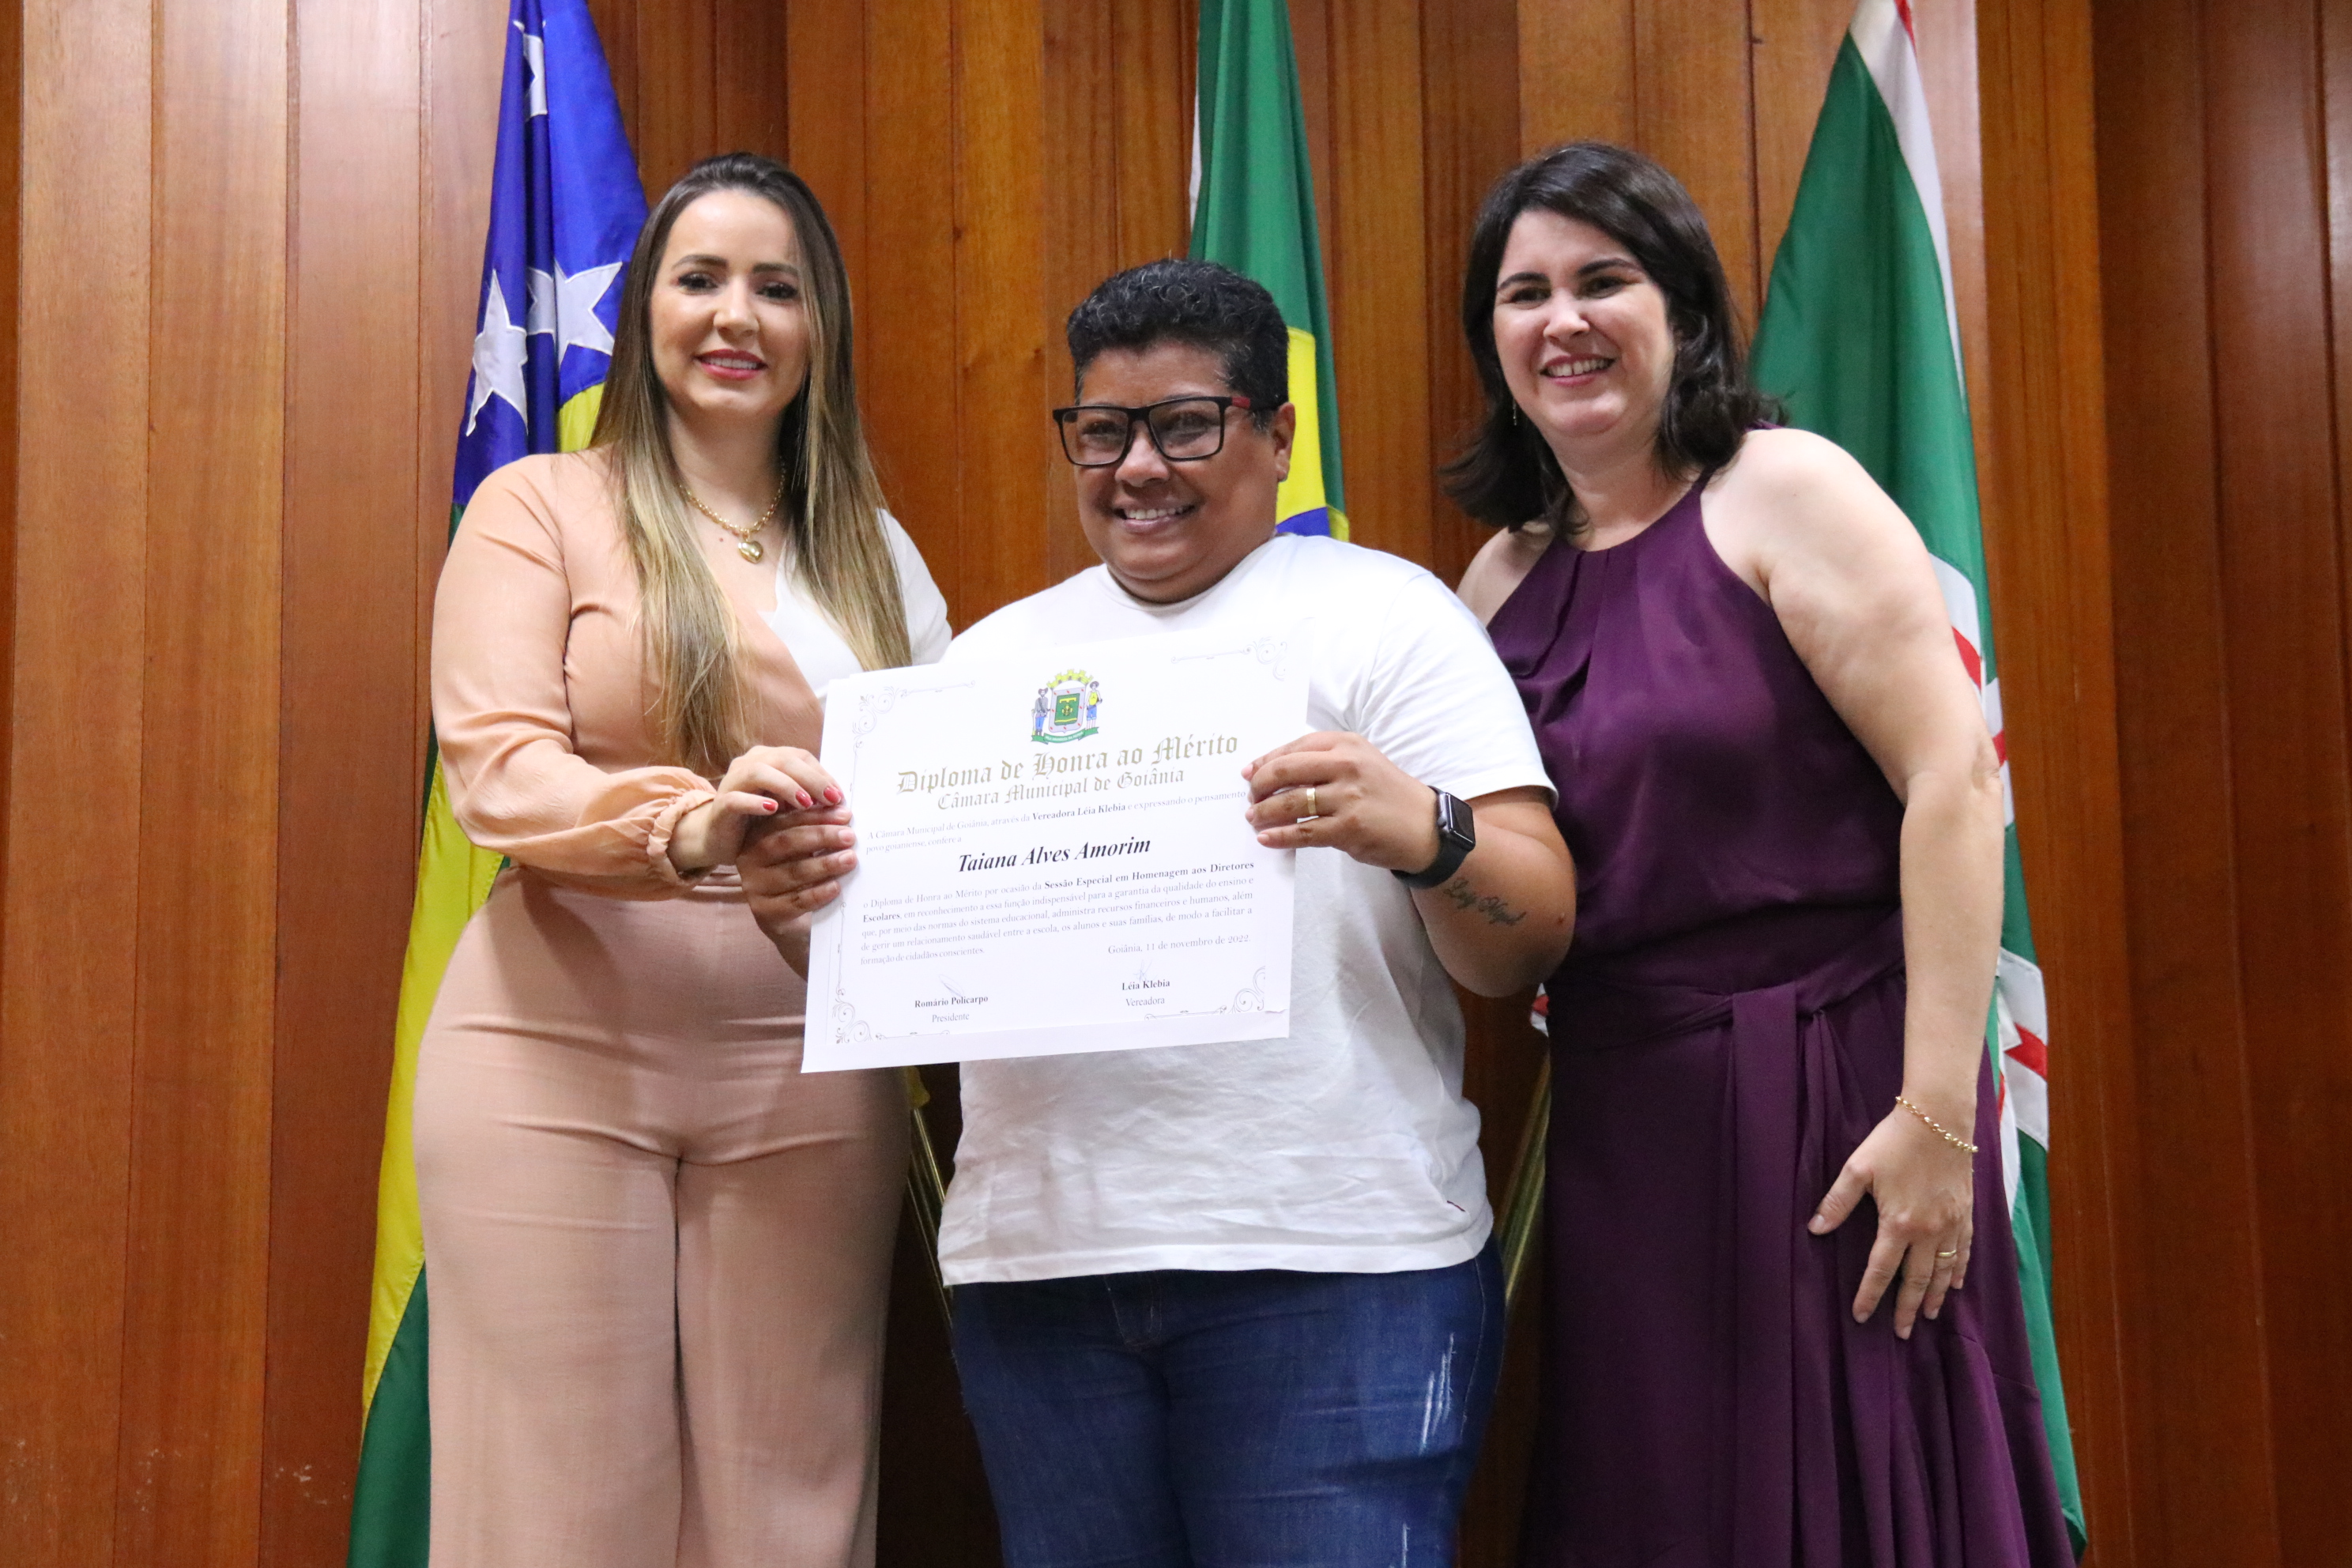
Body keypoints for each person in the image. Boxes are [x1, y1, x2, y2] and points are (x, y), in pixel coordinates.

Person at [741, 258, 1577, 1566]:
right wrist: (803, 917)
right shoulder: (990, 668)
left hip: (1337, 1260)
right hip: (1041, 1270)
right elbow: (908, 979)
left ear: (1278, 436)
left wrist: (1425, 830)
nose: (1138, 468)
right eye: (1102, 431)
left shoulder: (1388, 618)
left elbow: (1528, 936)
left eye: (1186, 426)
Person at [1447, 141, 2075, 1566]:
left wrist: (1935, 1116)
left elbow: (1951, 783)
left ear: (1681, 306)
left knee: (1866, 1488)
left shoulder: (1785, 488)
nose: (1564, 320)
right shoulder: (1494, 583)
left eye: (1604, 280)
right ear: (1492, 340)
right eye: (1525, 293)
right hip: (1625, 1116)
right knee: (1660, 1500)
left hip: (1844, 1097)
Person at [414, 152, 950, 1568]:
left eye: (778, 287)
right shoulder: (537, 506)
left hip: (810, 1059)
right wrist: (693, 825)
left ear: (820, 326)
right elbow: (499, 768)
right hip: (552, 1050)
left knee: (791, 1506)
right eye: (699, 278)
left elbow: (939, 807)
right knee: (558, 1511)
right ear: (644, 308)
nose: (736, 316)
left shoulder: (877, 558)